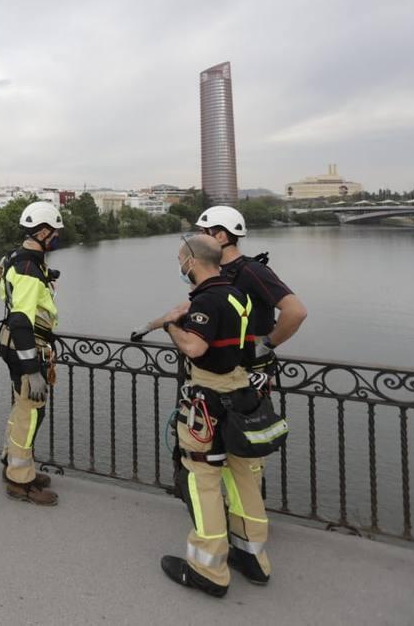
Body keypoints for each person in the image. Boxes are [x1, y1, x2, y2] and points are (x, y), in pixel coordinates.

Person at [150, 233, 269, 598]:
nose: (180, 266)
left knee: (201, 478)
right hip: (241, 390)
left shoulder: (206, 299)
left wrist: (172, 324)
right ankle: (252, 557)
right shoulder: (238, 295)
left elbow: (195, 345)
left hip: (209, 397)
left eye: (180, 259)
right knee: (243, 475)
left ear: (192, 262)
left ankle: (208, 569)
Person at [0, 200, 63, 506]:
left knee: (24, 408)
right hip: (26, 345)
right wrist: (32, 368)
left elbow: (2, 286)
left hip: (15, 342)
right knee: (31, 412)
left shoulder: (15, 259)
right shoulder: (27, 268)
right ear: (43, 231)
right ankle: (19, 481)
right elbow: (22, 317)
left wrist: (44, 280)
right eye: (55, 232)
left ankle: (13, 460)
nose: (57, 238)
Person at [194, 206, 308, 376]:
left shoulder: (252, 270)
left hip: (246, 371)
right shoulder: (215, 270)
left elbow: (296, 311)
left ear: (220, 236)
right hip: (220, 364)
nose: (197, 239)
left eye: (202, 232)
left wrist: (265, 345)